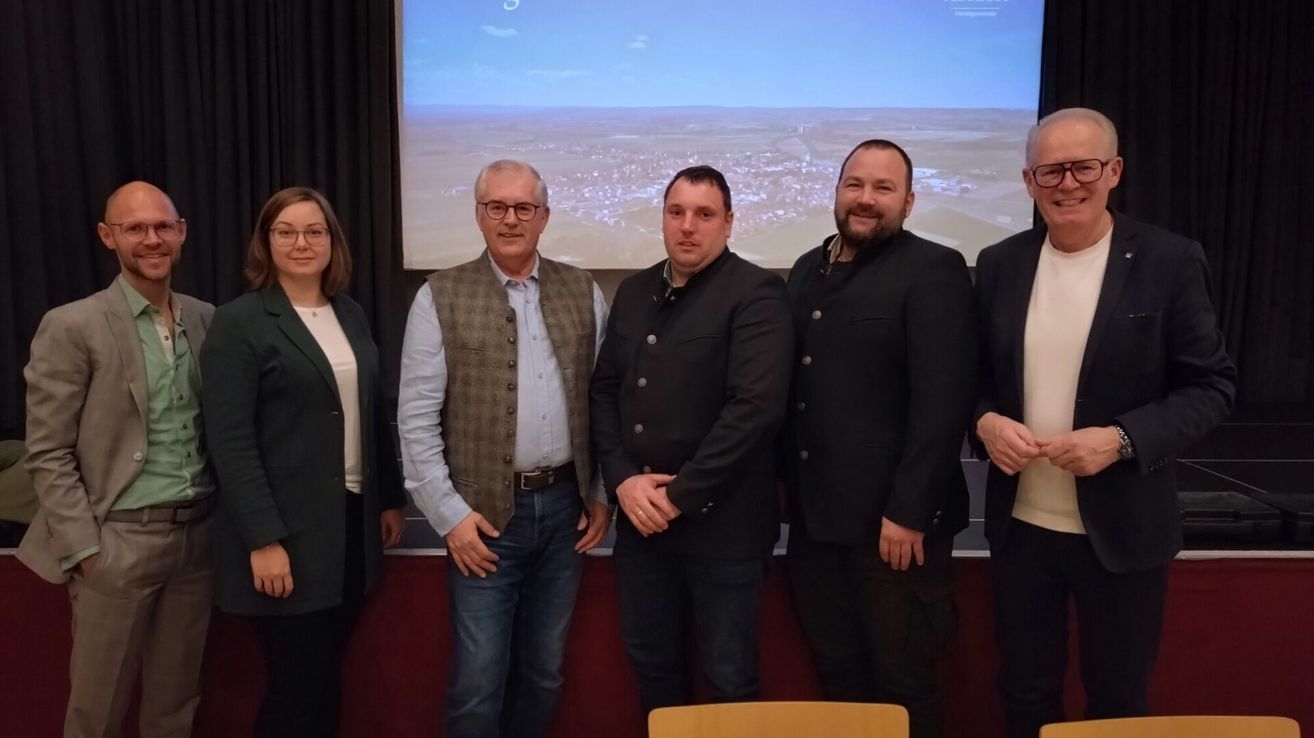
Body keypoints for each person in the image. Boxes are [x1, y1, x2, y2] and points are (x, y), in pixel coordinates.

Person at [973, 108, 1237, 737]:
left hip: (1123, 534)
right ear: (1028, 182)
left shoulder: (1169, 261)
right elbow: (974, 377)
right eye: (1050, 171)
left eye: (1082, 167)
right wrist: (982, 419)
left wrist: (1120, 441)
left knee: (1117, 705)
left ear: (1113, 171)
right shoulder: (1000, 262)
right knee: (1025, 694)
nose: (1067, 184)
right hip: (1022, 533)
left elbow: (1213, 385)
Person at [398, 160, 610, 738]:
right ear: (478, 214)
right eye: (497, 206)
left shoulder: (583, 290)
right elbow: (415, 420)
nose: (510, 219)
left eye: (523, 208)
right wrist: (449, 519)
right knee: (477, 684)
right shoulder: (437, 296)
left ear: (544, 216)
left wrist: (598, 492)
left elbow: (605, 402)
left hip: (567, 513)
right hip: (482, 522)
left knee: (544, 675)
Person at [782, 140, 977, 738]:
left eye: (883, 188)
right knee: (839, 682)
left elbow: (943, 403)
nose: (866, 199)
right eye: (854, 184)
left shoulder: (934, 270)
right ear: (837, 191)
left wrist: (910, 512)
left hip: (893, 533)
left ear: (909, 201)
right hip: (816, 525)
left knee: (902, 687)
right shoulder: (806, 269)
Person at [200, 187, 407, 738]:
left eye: (314, 231)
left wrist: (388, 498)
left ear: (331, 242)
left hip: (350, 531)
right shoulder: (239, 322)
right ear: (265, 243)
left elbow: (368, 407)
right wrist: (263, 540)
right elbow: (230, 441)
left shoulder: (350, 313)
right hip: (285, 539)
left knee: (323, 681)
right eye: (285, 231)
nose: (301, 242)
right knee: (297, 685)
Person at [590, 165, 794, 713]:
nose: (688, 226)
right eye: (676, 212)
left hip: (724, 530)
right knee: (652, 667)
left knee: (729, 680)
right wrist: (623, 483)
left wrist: (675, 498)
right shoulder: (633, 292)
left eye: (704, 215)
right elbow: (604, 392)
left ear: (728, 223)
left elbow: (754, 411)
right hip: (641, 527)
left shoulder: (758, 293)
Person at [18, 181, 215, 738]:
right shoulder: (72, 325)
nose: (151, 239)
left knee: (175, 708)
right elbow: (48, 450)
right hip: (116, 543)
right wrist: (84, 550)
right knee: (97, 714)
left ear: (181, 234)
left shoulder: (206, 320)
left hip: (196, 542)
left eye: (162, 227)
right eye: (135, 228)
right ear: (109, 237)